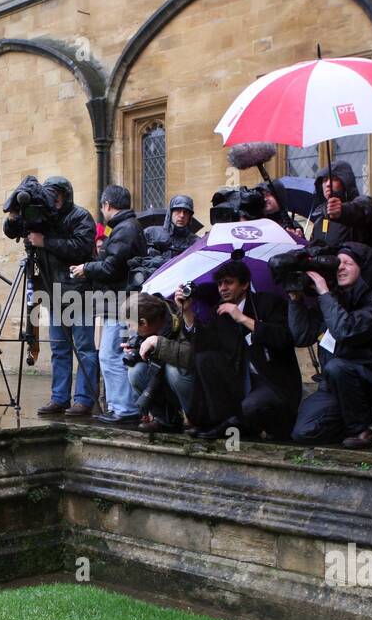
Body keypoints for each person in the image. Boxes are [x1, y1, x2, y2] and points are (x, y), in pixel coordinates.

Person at [5, 175, 100, 416]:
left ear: (66, 195)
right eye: (50, 194)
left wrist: (45, 241)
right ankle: (59, 398)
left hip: (79, 293)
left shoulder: (80, 216)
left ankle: (84, 400)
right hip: (52, 291)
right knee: (59, 347)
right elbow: (10, 231)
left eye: (58, 194)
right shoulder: (41, 216)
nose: (54, 199)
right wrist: (15, 213)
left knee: (85, 348)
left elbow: (80, 248)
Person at [287, 242, 372, 448]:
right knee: (302, 433)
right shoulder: (334, 298)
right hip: (333, 384)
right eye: (338, 263)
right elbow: (302, 336)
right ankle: (348, 422)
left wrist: (323, 292)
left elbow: (345, 331)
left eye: (348, 263)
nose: (341, 267)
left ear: (362, 269)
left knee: (338, 366)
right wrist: (295, 299)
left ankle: (361, 428)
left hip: (371, 382)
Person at [186, 259, 302, 440]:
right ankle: (225, 422)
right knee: (204, 358)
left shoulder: (268, 303)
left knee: (251, 407)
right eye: (219, 283)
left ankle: (253, 426)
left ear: (245, 284)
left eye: (229, 282)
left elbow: (284, 339)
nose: (222, 288)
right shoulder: (219, 310)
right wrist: (187, 312)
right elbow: (201, 345)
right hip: (238, 377)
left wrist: (242, 318)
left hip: (271, 380)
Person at [72, 184, 144, 424]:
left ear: (107, 205)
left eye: (102, 207)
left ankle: (124, 410)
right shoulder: (126, 227)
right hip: (122, 302)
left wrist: (86, 268)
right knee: (115, 355)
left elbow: (112, 267)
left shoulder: (124, 229)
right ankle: (119, 407)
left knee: (110, 356)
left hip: (120, 303)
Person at [123, 291, 196, 432]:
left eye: (130, 325)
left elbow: (191, 356)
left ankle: (197, 420)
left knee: (173, 370)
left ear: (143, 323)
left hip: (195, 383)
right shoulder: (147, 327)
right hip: (163, 380)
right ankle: (165, 420)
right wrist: (138, 350)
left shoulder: (180, 316)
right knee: (136, 371)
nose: (130, 330)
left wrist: (158, 343)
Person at [305, 161, 372, 275]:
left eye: (334, 179)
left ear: (346, 181)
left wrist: (342, 211)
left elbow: (361, 211)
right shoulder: (319, 221)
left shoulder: (363, 204)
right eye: (324, 180)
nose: (328, 184)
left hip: (362, 281)